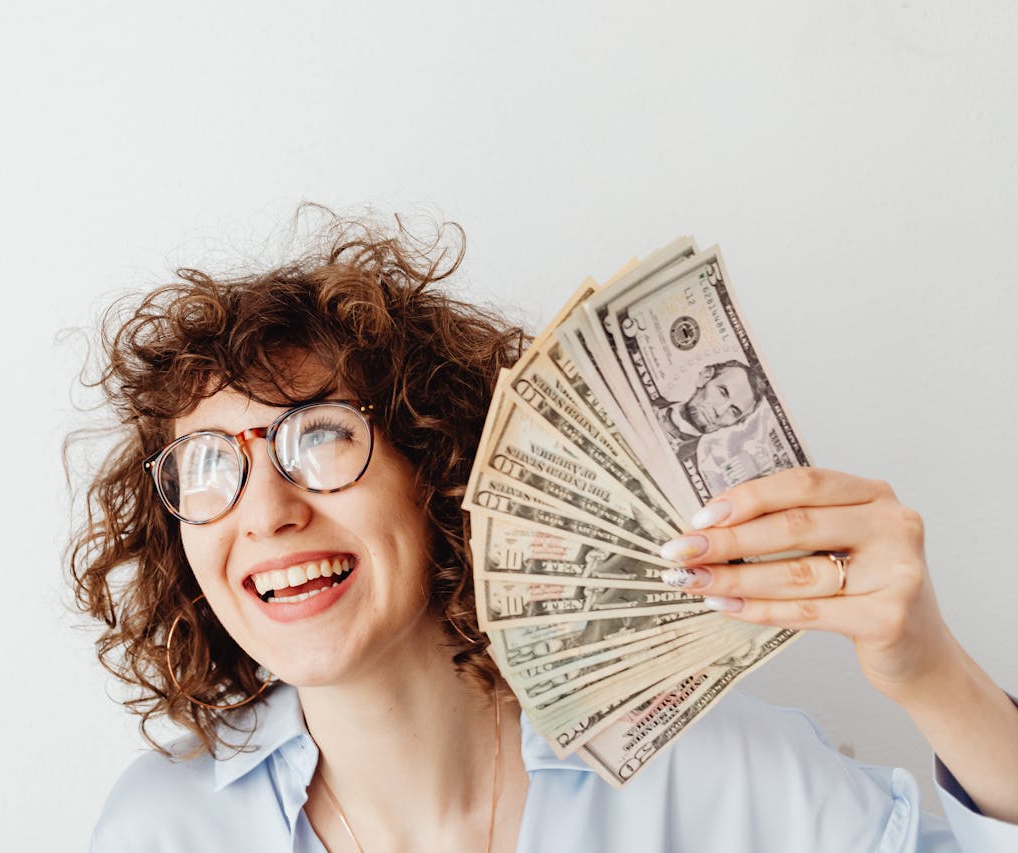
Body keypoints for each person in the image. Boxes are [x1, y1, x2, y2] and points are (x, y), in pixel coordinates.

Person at [68, 214, 1018, 852]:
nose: (267, 510)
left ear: (440, 470)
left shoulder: (712, 771)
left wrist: (931, 670)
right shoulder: (162, 829)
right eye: (206, 466)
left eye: (322, 437)